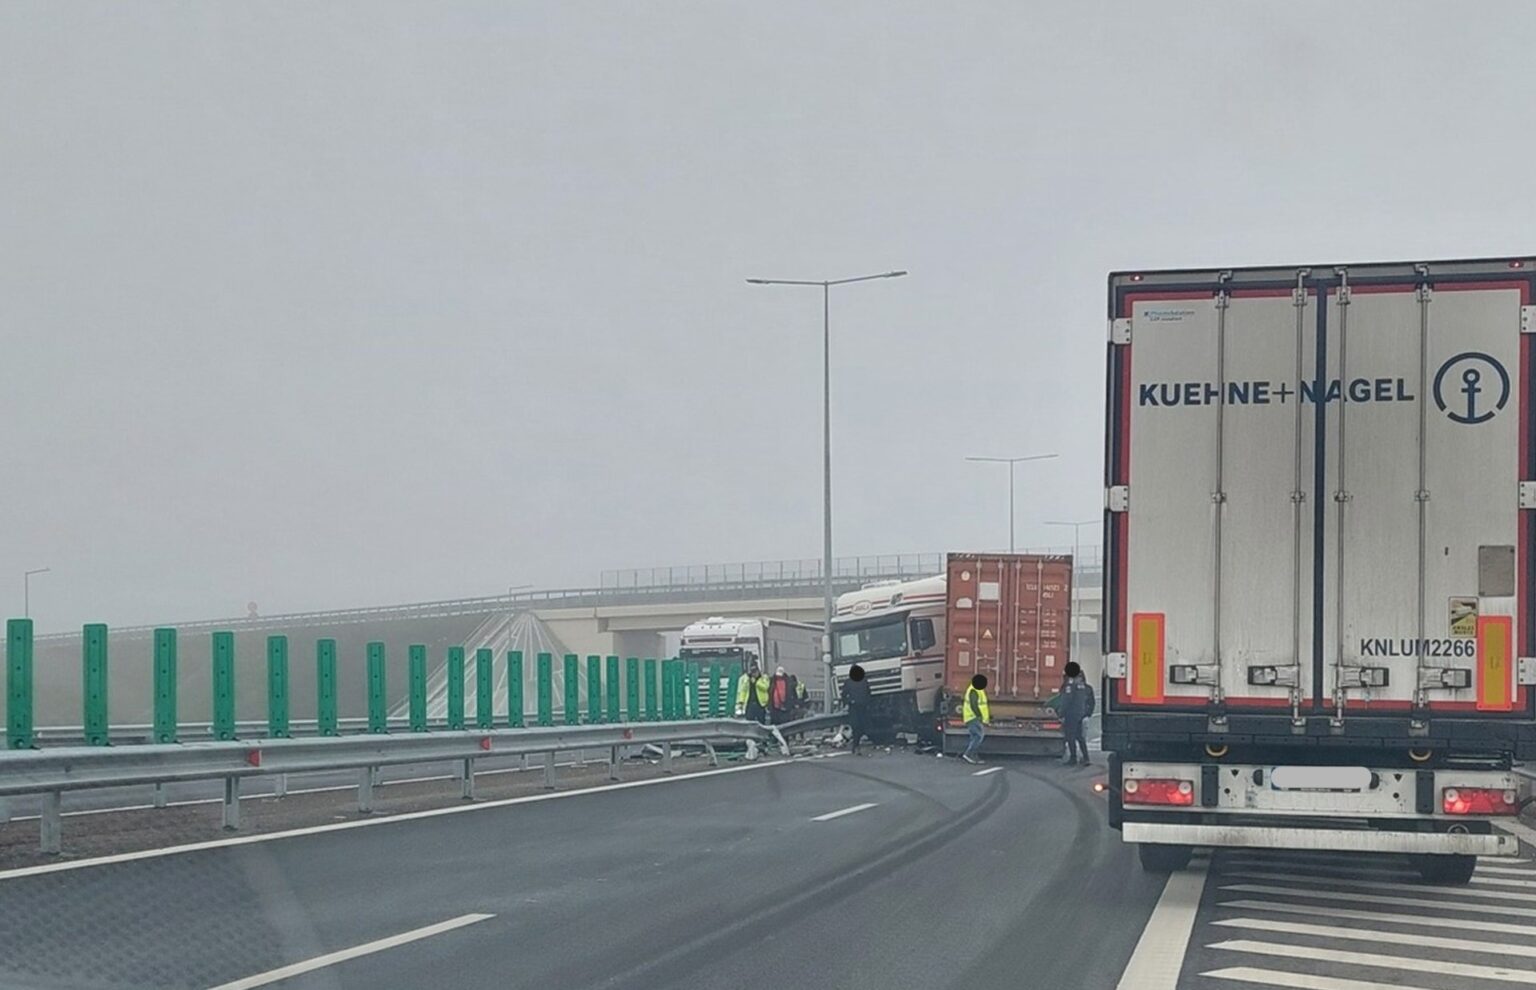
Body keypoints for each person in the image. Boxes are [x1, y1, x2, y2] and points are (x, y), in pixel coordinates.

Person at [1057, 661, 1096, 766]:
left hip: (1071, 715)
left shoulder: (1070, 686)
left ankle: (1073, 758)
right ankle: (1086, 757)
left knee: (1070, 736)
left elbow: (1066, 701)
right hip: (1081, 715)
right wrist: (1087, 714)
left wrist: (1061, 713)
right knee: (1080, 737)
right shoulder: (1085, 687)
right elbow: (1091, 702)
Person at [840, 664, 873, 755]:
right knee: (856, 726)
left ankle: (856, 745)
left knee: (860, 727)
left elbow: (868, 693)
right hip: (855, 707)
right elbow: (843, 695)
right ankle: (856, 745)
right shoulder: (850, 682)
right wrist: (849, 702)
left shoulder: (863, 681)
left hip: (861, 707)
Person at [960, 673, 990, 765]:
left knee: (975, 737)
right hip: (973, 717)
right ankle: (969, 754)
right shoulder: (974, 690)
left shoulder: (977, 689)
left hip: (972, 717)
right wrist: (979, 716)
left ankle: (973, 755)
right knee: (978, 736)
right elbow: (974, 705)